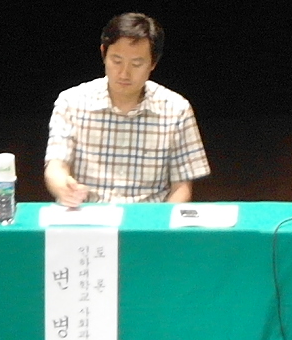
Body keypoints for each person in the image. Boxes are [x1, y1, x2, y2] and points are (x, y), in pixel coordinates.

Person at [44, 11, 211, 206]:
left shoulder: (176, 109)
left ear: (153, 63)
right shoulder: (71, 102)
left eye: (136, 63)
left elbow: (181, 187)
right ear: (103, 53)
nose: (124, 73)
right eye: (116, 61)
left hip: (148, 218)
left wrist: (160, 221)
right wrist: (64, 188)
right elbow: (56, 166)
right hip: (87, 215)